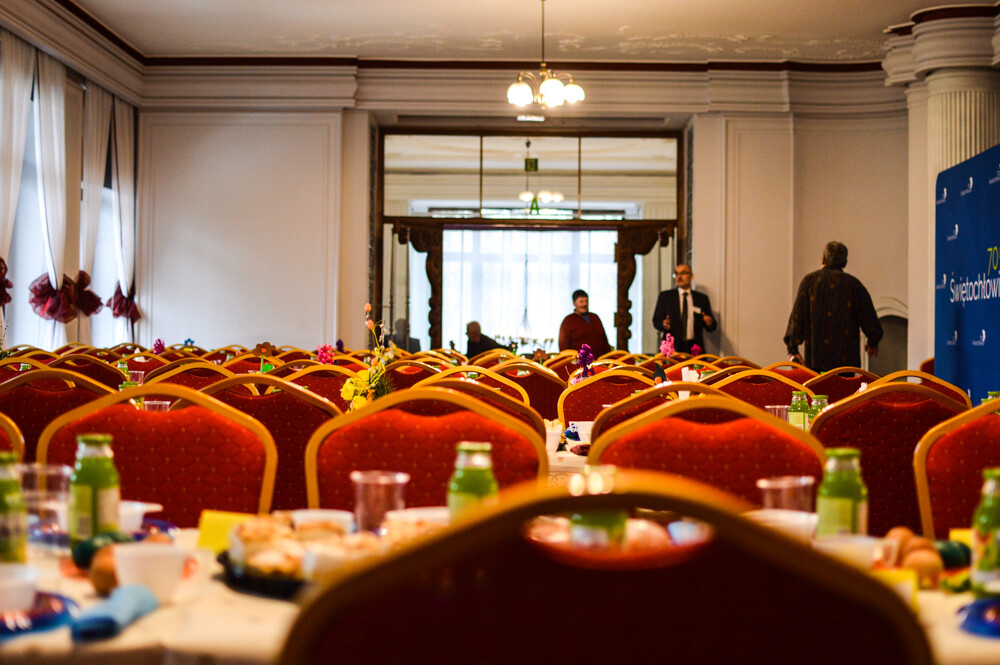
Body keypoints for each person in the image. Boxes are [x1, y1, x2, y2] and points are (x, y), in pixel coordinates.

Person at [783, 241, 883, 373]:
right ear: (845, 263)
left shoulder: (809, 282)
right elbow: (871, 322)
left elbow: (797, 318)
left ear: (823, 259)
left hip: (815, 363)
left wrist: (793, 350)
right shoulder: (854, 286)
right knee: (844, 388)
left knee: (816, 387)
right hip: (845, 366)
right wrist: (872, 342)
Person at [652, 264, 718, 355]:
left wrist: (709, 322)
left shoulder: (701, 299)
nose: (679, 277)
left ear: (691, 276)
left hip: (695, 348)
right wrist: (663, 324)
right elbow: (656, 321)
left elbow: (712, 326)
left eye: (683, 273)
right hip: (672, 349)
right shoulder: (666, 297)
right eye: (676, 274)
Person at [558, 289, 611, 357]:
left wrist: (609, 357)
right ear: (574, 303)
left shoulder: (595, 317)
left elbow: (604, 340)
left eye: (586, 301)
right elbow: (563, 346)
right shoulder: (568, 320)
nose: (584, 304)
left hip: (600, 361)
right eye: (581, 301)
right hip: (579, 362)